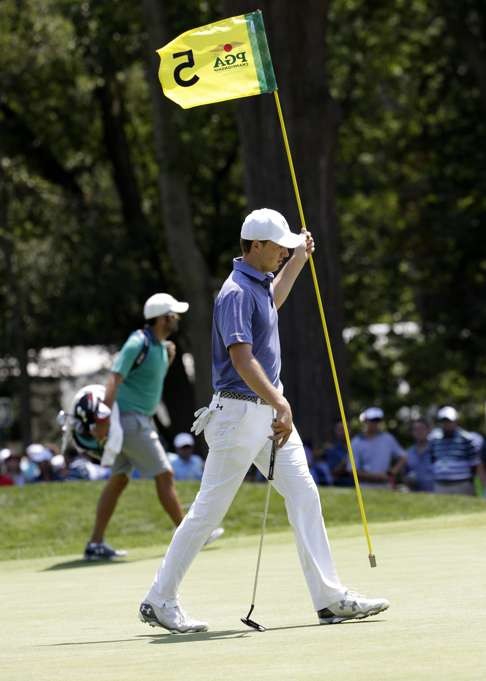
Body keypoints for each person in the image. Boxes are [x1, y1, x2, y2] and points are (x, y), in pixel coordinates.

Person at [139, 208, 389, 633]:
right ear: (255, 246)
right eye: (279, 246)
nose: (283, 251)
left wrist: (298, 262)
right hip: (240, 415)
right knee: (207, 513)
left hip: (265, 415)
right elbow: (241, 358)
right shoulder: (235, 291)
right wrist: (281, 403)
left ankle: (329, 598)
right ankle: (160, 599)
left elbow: (274, 300)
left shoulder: (258, 284)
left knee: (305, 494)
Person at [77, 293, 223, 561]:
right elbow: (114, 379)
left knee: (119, 479)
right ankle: (189, 536)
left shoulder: (160, 347)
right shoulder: (138, 342)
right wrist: (102, 418)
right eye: (173, 314)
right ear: (163, 317)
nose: (177, 318)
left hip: (135, 420)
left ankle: (95, 543)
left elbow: (148, 382)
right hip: (130, 420)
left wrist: (167, 358)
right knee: (165, 473)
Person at [350, 407, 406, 488]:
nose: (375, 423)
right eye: (372, 420)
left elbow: (403, 457)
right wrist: (376, 477)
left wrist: (391, 473)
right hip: (364, 487)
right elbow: (352, 470)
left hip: (385, 487)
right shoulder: (356, 442)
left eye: (377, 420)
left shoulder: (388, 438)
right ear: (365, 421)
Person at [430, 406, 479, 496]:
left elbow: (474, 464)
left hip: (462, 484)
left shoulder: (466, 439)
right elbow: (433, 460)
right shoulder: (434, 439)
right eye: (444, 421)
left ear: (456, 421)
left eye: (449, 421)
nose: (446, 424)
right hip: (440, 484)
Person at [404, 418, 434, 492]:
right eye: (416, 429)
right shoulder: (408, 453)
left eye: (422, 428)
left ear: (429, 430)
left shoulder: (436, 450)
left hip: (435, 493)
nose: (419, 432)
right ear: (412, 432)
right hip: (415, 494)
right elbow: (404, 475)